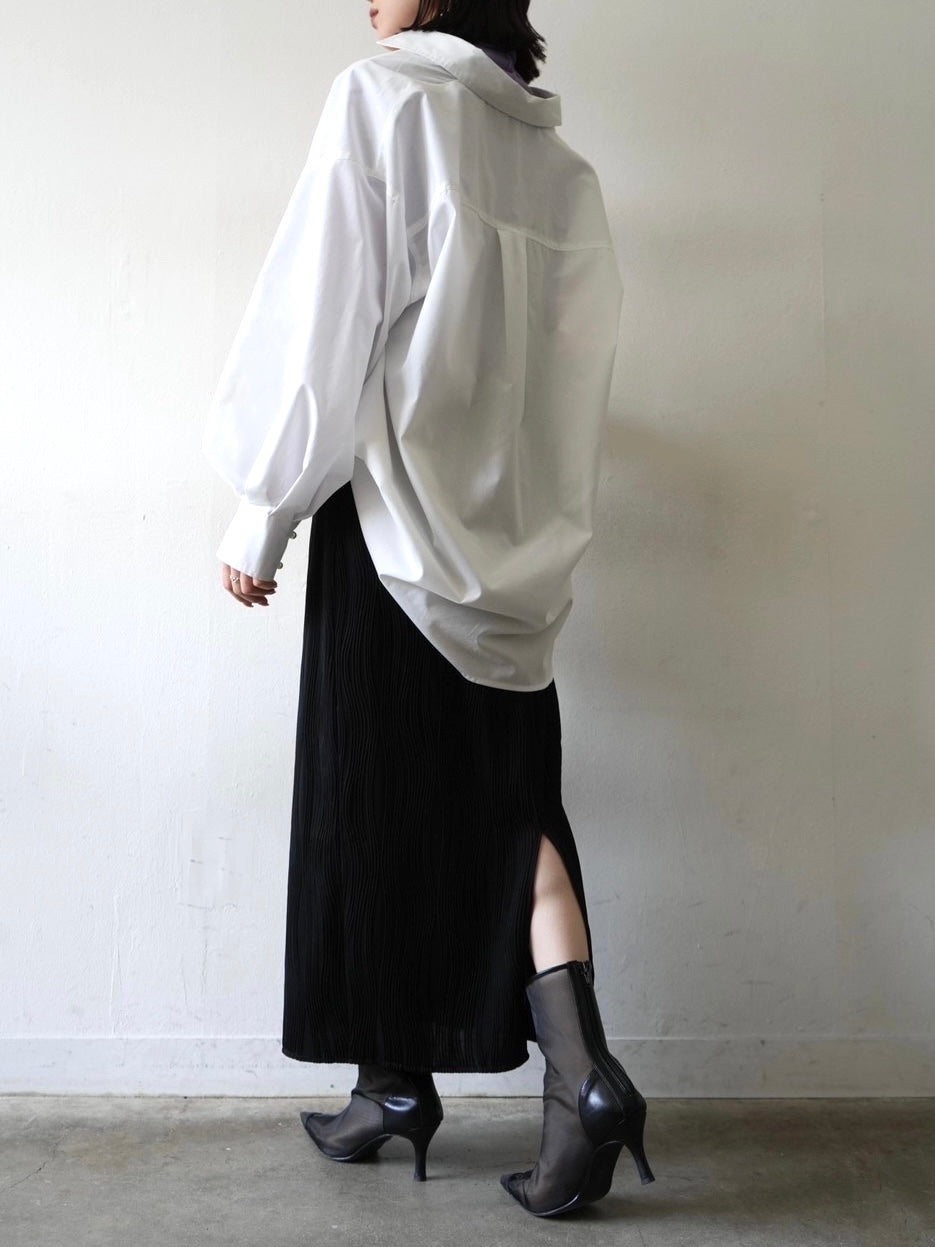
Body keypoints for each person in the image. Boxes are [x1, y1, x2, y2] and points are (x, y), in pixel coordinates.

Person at [202, 0, 654, 1218]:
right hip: (514, 546)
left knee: (369, 807)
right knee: (509, 811)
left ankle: (415, 1084)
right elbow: (571, 377)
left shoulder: (382, 100)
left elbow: (324, 320)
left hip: (392, 525)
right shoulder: (560, 168)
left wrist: (263, 508)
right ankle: (541, 1076)